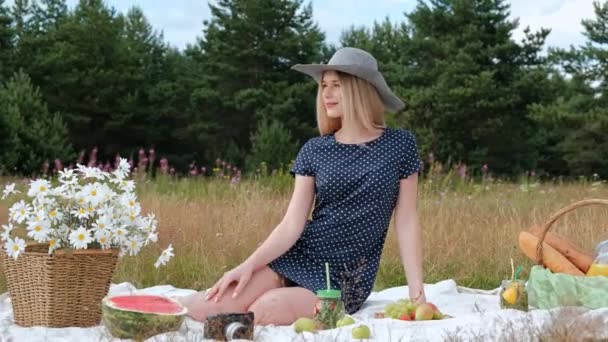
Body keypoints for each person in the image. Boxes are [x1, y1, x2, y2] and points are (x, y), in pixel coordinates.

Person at [177, 47, 426, 326]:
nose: (326, 94)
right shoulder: (315, 149)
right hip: (299, 255)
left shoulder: (400, 144)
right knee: (203, 309)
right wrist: (247, 266)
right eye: (323, 86)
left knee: (265, 309)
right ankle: (145, 309)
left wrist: (418, 295)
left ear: (359, 89)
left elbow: (406, 220)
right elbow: (291, 223)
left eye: (336, 86)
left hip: (344, 278)